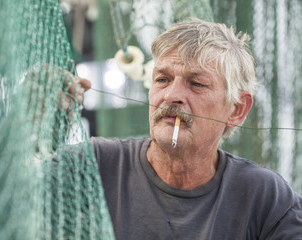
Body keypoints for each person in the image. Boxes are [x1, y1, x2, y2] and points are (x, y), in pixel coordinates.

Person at [88, 19, 302, 239]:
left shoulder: (265, 196)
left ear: (237, 109)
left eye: (197, 84)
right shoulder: (95, 164)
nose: (171, 96)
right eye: (163, 79)